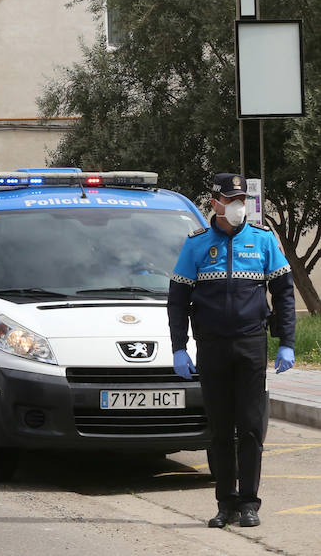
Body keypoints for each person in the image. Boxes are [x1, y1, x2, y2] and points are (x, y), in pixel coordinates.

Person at [168, 173, 295, 529]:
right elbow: (177, 301)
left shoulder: (263, 240)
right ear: (216, 203)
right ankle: (225, 503)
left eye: (242, 198)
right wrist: (179, 348)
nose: (239, 205)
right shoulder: (196, 245)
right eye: (232, 199)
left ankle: (249, 503)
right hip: (212, 347)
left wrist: (287, 342)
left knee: (251, 427)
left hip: (251, 344)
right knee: (220, 429)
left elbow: (284, 294)